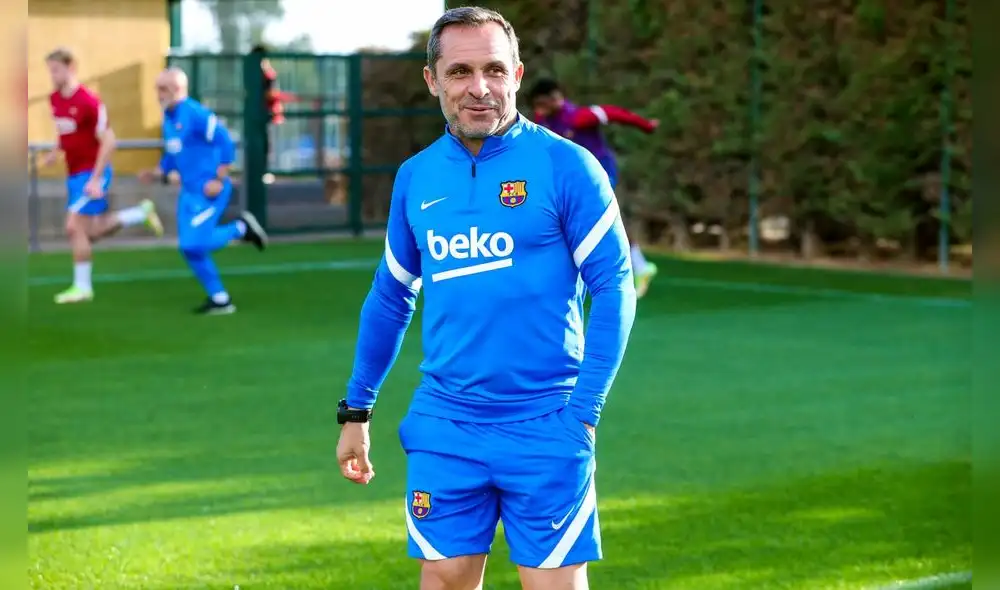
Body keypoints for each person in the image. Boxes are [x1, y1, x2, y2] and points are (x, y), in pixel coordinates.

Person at [335, 7, 636, 590]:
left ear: (517, 75)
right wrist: (357, 409)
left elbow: (614, 288)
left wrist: (585, 415)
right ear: (432, 80)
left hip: (547, 420)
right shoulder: (416, 177)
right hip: (446, 423)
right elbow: (391, 296)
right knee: (444, 578)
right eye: (460, 71)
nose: (479, 88)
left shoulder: (568, 167)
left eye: (494, 70)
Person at [138, 67, 268, 315]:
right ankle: (220, 299)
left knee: (193, 243)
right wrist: (156, 172)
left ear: (178, 89)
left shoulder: (194, 113)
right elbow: (174, 152)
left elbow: (225, 140)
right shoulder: (169, 117)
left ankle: (240, 228)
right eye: (157, 88)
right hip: (189, 193)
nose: (158, 94)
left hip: (208, 191)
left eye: (163, 89)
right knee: (188, 248)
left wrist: (219, 178)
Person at [41, 47, 164, 304]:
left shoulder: (89, 102)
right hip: (74, 173)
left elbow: (109, 141)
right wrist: (55, 152)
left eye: (56, 70)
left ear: (71, 68)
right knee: (92, 232)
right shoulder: (54, 99)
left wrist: (96, 179)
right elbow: (66, 133)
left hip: (92, 173)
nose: (52, 75)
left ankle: (82, 288)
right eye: (50, 70)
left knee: (73, 227)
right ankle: (139, 213)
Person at [529, 78, 660, 298]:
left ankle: (635, 267)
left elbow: (615, 113)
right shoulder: (543, 119)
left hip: (600, 175)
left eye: (542, 103)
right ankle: (634, 267)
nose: (538, 109)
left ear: (555, 99)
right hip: (571, 178)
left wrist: (646, 126)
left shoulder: (579, 117)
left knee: (598, 221)